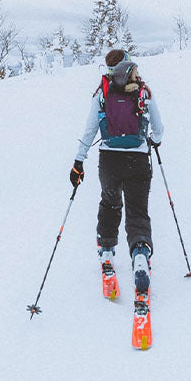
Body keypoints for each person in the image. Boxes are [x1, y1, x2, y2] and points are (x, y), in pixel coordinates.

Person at [70, 49, 164, 302]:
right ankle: (141, 255)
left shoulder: (102, 92)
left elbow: (90, 129)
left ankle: (107, 254)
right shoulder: (143, 90)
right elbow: (159, 130)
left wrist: (79, 161)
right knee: (137, 211)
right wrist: (153, 141)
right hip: (138, 159)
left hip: (109, 160)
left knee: (110, 204)